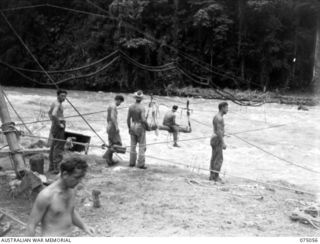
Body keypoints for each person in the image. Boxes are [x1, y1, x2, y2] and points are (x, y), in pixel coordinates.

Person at [27, 156, 95, 237]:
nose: (79, 181)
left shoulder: (72, 189)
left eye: (81, 178)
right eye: (76, 177)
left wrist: (84, 226)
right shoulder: (46, 196)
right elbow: (31, 225)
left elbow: (70, 211)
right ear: (65, 174)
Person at [127, 90, 148, 169]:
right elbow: (143, 119)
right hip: (140, 126)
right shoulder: (142, 107)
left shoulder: (131, 106)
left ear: (135, 98)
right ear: (141, 99)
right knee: (142, 146)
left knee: (132, 146)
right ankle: (141, 164)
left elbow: (128, 119)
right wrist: (148, 126)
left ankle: (132, 163)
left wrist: (129, 128)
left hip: (132, 125)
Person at [48, 90, 67, 174]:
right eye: (62, 96)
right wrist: (59, 124)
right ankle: (56, 168)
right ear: (58, 96)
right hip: (59, 126)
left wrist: (53, 122)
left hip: (55, 125)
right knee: (58, 146)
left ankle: (51, 167)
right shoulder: (58, 104)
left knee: (54, 146)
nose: (64, 97)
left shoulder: (54, 102)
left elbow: (49, 113)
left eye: (65, 96)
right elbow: (53, 114)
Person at [103, 95, 124, 166]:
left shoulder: (110, 105)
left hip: (109, 126)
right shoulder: (114, 107)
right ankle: (106, 155)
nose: (120, 104)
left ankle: (109, 161)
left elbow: (108, 118)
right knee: (118, 144)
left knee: (111, 144)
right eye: (120, 102)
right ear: (118, 100)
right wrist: (116, 127)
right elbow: (112, 117)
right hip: (112, 127)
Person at [209, 102, 228, 182]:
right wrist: (223, 142)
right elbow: (218, 131)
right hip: (217, 139)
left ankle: (212, 176)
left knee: (214, 157)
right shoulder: (219, 118)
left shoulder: (216, 116)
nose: (227, 110)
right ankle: (216, 177)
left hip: (214, 138)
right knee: (219, 158)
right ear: (222, 108)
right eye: (226, 108)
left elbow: (218, 130)